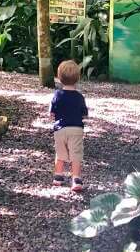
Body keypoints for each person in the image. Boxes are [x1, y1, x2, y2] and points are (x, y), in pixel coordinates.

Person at [49, 60, 88, 192]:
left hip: (60, 129)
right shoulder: (79, 97)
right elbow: (84, 115)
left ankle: (58, 177)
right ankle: (76, 179)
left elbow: (52, 113)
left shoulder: (57, 95)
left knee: (60, 153)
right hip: (76, 128)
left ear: (59, 77)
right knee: (75, 154)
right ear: (77, 78)